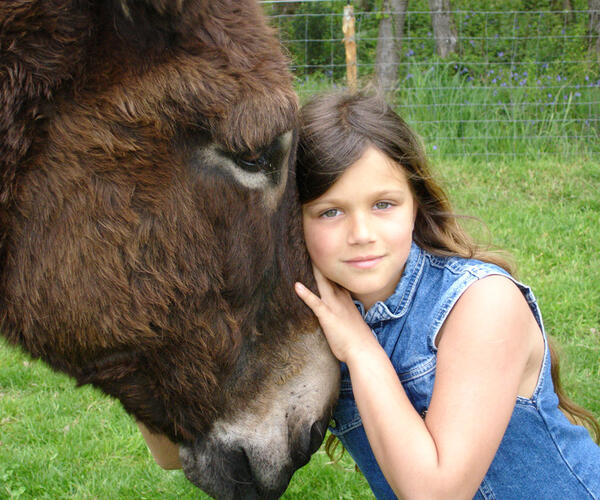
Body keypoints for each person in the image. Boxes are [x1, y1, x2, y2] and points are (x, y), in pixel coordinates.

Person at [293, 90, 600, 500]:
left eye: (383, 204)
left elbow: (437, 494)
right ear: (293, 221)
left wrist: (361, 350)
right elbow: (174, 455)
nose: (362, 235)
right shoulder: (313, 314)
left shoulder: (480, 302)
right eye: (331, 211)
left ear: (414, 205)